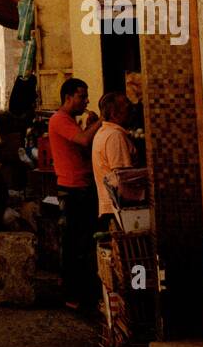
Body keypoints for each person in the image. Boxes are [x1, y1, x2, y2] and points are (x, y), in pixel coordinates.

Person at [48, 78, 100, 310]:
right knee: (74, 244)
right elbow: (83, 140)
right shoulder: (59, 120)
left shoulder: (70, 120)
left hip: (81, 186)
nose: (86, 100)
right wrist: (102, 122)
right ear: (68, 98)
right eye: (82, 96)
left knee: (79, 242)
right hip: (73, 189)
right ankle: (72, 294)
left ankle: (75, 290)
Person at [92, 91, 137, 227]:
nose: (131, 108)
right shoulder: (115, 136)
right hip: (117, 210)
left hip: (110, 208)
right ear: (114, 113)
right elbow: (123, 178)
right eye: (126, 106)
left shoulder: (104, 132)